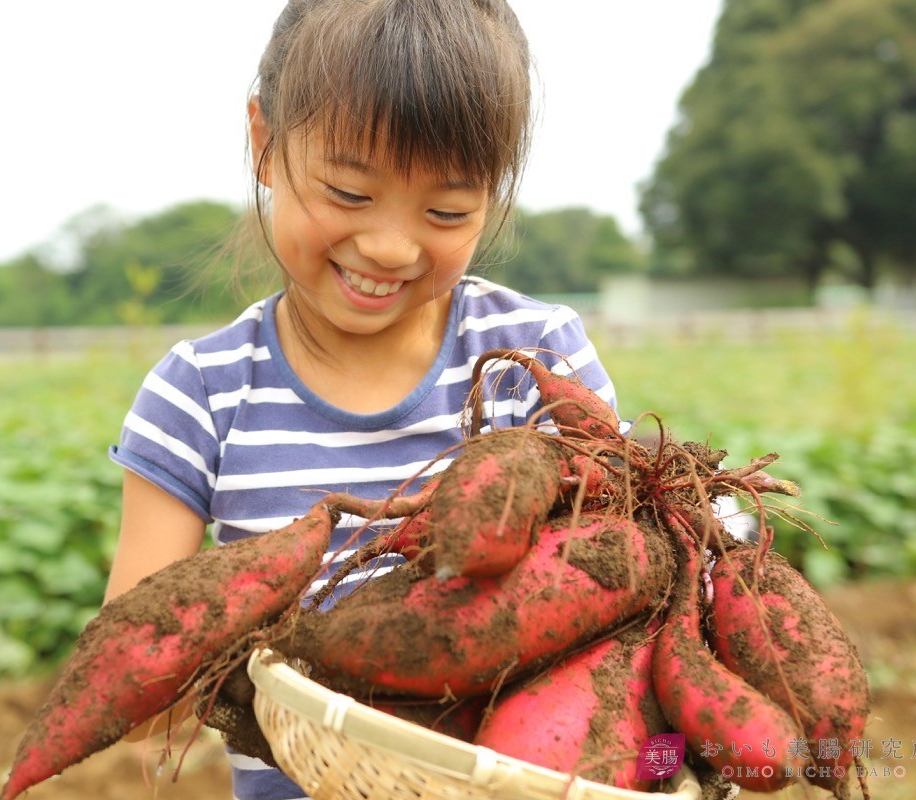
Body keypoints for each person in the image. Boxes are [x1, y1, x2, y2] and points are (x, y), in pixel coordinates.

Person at [103, 1, 617, 798]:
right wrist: (280, 663)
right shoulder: (200, 394)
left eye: (446, 212)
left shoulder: (533, 358)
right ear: (264, 145)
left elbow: (616, 581)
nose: (390, 247)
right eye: (347, 193)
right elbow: (126, 695)